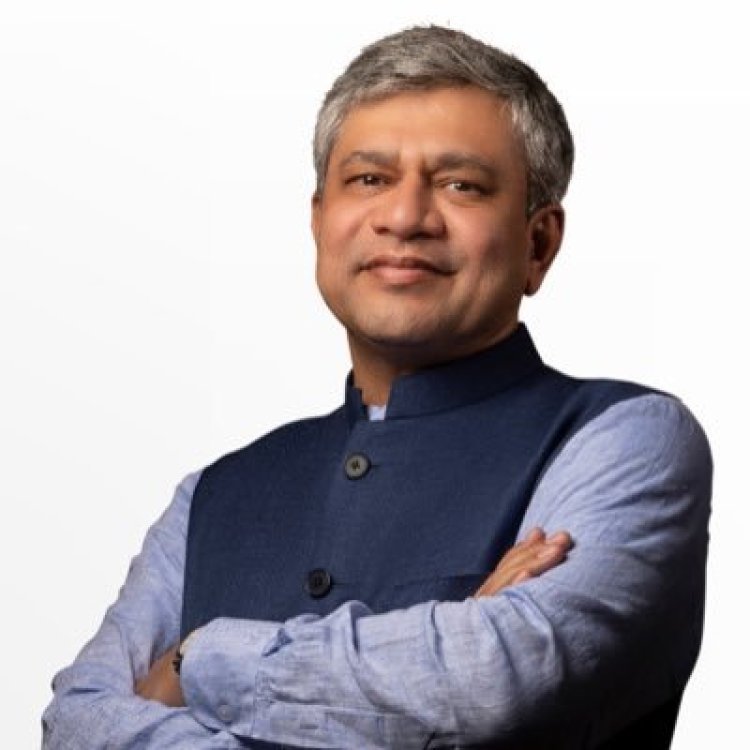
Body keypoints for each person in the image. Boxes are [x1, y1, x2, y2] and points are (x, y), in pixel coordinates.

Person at [42, 25, 712, 749]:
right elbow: (76, 725)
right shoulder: (211, 496)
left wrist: (194, 661)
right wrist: (436, 666)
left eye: (461, 185)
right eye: (369, 179)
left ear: (538, 244)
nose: (404, 218)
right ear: (319, 222)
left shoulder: (625, 439)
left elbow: (496, 678)